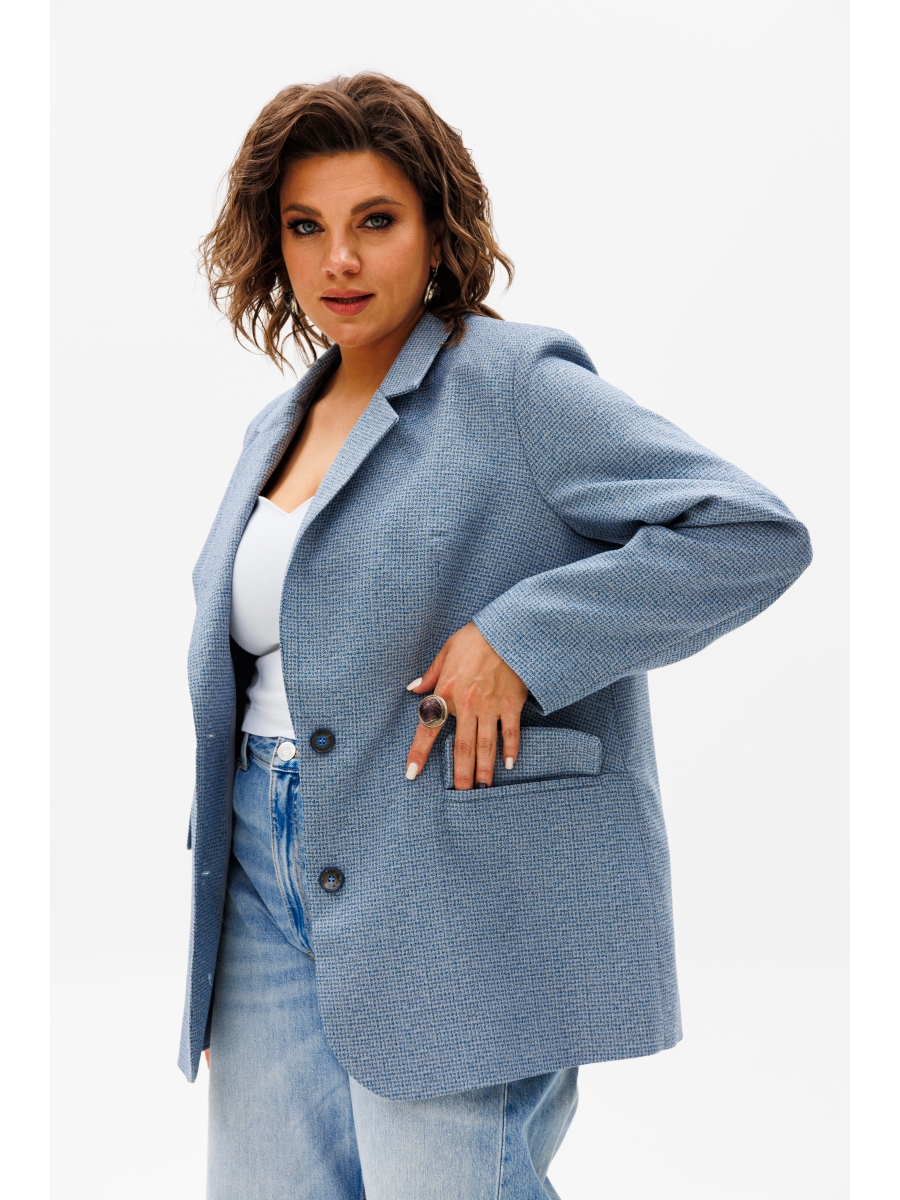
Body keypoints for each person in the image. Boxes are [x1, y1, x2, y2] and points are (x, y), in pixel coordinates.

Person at [181, 73, 812, 1199]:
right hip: (262, 877)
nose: (339, 260)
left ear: (437, 228)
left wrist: (522, 639)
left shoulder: (511, 384)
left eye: (376, 221)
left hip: (447, 880)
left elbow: (748, 531)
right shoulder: (276, 425)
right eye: (306, 227)